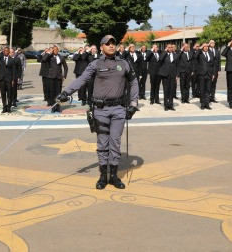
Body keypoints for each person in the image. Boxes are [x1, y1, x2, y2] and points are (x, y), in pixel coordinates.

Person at [57, 35, 139, 190]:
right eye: (107, 44)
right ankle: (103, 176)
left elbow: (134, 82)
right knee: (103, 143)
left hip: (119, 110)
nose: (111, 46)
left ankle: (113, 177)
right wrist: (66, 92)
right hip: (100, 110)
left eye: (113, 43)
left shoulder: (124, 63)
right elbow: (82, 79)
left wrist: (133, 104)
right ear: (101, 47)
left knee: (115, 142)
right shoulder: (96, 64)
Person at [42, 45, 68, 112]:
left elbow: (66, 67)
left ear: (58, 50)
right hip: (51, 77)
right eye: (54, 50)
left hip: (59, 78)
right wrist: (49, 53)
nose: (55, 51)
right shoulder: (49, 57)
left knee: (58, 93)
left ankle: (58, 107)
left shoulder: (61, 57)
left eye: (56, 49)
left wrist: (64, 76)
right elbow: (44, 59)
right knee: (52, 93)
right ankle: (53, 107)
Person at [0, 46, 15, 113]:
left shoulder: (12, 59)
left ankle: (9, 107)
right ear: (3, 51)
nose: (5, 52)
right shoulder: (0, 59)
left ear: (8, 52)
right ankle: (4, 107)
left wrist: (13, 80)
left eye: (7, 50)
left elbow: (14, 71)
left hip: (9, 79)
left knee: (9, 93)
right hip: (2, 78)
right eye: (4, 50)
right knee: (3, 93)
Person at [159, 43, 179, 111]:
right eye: (169, 47)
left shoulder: (175, 55)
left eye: (171, 47)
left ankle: (171, 105)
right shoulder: (163, 54)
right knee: (166, 90)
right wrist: (165, 51)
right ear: (167, 48)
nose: (170, 48)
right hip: (165, 75)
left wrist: (177, 75)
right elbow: (160, 59)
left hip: (173, 75)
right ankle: (166, 105)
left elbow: (177, 65)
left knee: (171, 90)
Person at [194, 43, 214, 110]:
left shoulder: (210, 53)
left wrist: (213, 73)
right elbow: (195, 56)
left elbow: (213, 64)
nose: (206, 47)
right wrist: (199, 49)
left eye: (207, 46)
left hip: (209, 74)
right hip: (202, 74)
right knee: (202, 90)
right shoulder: (199, 53)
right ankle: (202, 104)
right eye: (204, 46)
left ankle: (207, 104)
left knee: (208, 89)